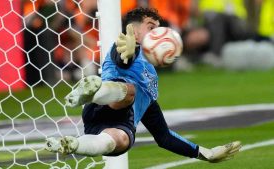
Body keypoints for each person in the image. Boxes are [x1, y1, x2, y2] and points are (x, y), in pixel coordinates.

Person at [45, 7, 241, 162]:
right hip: (104, 101)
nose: (158, 32)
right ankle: (91, 92)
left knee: (120, 140)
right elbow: (122, 59)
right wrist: (128, 52)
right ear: (134, 32)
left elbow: (163, 136)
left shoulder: (150, 79)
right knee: (129, 91)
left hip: (119, 123)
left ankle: (72, 145)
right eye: (151, 27)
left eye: (158, 27)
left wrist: (204, 153)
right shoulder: (124, 47)